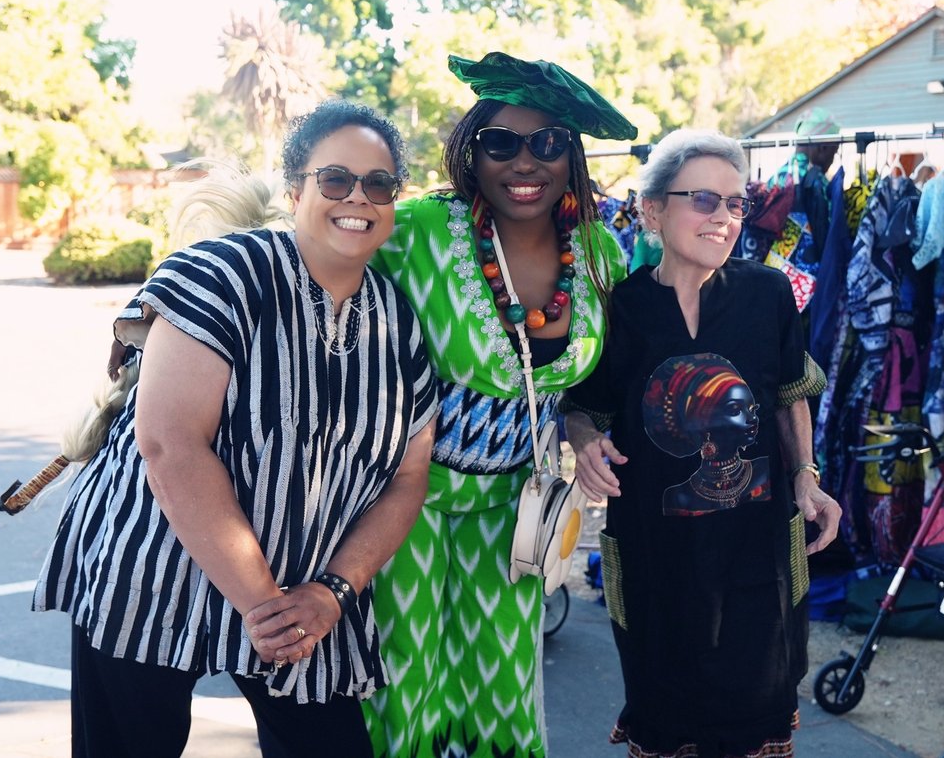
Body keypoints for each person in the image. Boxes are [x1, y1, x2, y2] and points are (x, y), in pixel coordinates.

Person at [33, 100, 439, 758]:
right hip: (155, 575)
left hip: (303, 595)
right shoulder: (220, 276)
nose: (357, 197)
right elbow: (170, 445)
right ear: (295, 190)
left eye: (379, 184)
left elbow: (407, 476)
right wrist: (264, 606)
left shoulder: (398, 321)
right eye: (335, 179)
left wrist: (330, 594)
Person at [362, 51, 635, 758]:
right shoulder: (419, 230)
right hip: (405, 497)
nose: (526, 162)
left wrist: (581, 427)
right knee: (404, 676)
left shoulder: (600, 252)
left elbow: (581, 385)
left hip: (518, 500)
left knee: (502, 677)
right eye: (502, 143)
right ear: (471, 151)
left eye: (548, 143)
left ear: (570, 155)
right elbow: (306, 262)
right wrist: (170, 307)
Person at [563, 128, 841, 758]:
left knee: (756, 705)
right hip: (654, 553)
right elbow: (582, 406)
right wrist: (582, 441)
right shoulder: (619, 309)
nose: (725, 218)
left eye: (736, 203)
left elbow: (789, 392)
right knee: (665, 707)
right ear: (654, 211)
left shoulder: (769, 295)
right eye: (705, 201)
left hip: (757, 552)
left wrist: (807, 475)